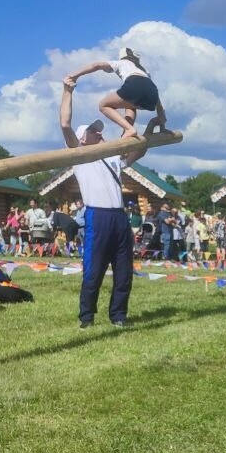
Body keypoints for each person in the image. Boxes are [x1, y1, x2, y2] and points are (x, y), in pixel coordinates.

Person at [60, 79, 146, 329]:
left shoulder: (114, 158)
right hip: (97, 217)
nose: (99, 132)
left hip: (120, 218)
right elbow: (65, 123)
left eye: (99, 130)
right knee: (93, 270)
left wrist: (134, 103)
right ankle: (87, 318)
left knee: (124, 271)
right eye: (93, 131)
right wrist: (67, 91)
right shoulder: (80, 156)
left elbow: (137, 148)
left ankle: (118, 316)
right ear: (82, 139)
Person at [64, 47, 167, 138]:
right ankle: (126, 136)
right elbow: (157, 100)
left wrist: (74, 75)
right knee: (130, 106)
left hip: (134, 84)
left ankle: (129, 129)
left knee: (103, 105)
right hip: (153, 95)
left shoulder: (121, 63)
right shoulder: (144, 71)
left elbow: (96, 65)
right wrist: (162, 123)